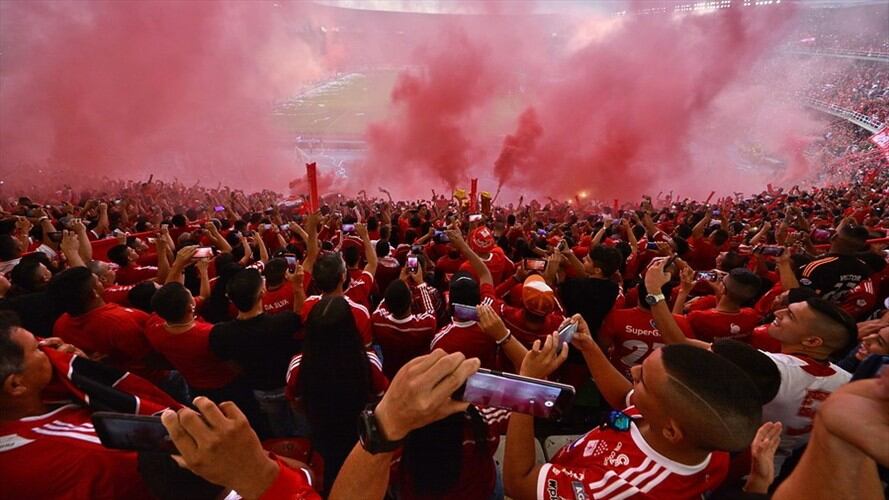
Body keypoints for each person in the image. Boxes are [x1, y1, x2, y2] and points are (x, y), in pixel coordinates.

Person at [644, 256, 857, 475]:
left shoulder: (769, 367)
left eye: (790, 316)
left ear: (812, 341)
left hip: (731, 462)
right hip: (777, 467)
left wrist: (654, 291)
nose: (778, 312)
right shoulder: (847, 382)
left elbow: (677, 341)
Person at [0, 314, 154, 499]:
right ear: (16, 385)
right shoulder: (95, 451)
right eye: (37, 348)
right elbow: (180, 462)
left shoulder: (38, 399)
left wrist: (82, 370)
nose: (49, 347)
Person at [286, 296, 389, 492]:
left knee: (330, 469)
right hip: (357, 431)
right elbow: (380, 397)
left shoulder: (298, 365)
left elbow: (295, 402)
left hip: (321, 431)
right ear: (350, 328)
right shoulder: (368, 362)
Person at [209, 267, 304, 438]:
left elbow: (227, 362)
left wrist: (247, 373)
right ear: (262, 293)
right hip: (290, 384)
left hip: (259, 388)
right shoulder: (281, 323)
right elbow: (300, 316)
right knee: (302, 423)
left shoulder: (221, 333)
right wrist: (297, 287)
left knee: (278, 426)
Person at [48, 266, 157, 379]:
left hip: (107, 383)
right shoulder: (122, 321)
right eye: (98, 282)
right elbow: (156, 360)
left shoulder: (60, 325)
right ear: (94, 292)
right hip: (151, 380)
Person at [598, 280, 695, 379]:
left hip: (619, 377)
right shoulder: (681, 323)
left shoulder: (616, 317)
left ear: (638, 294)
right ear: (669, 298)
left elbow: (602, 347)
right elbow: (686, 357)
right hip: (657, 382)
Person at [301, 223, 376, 347]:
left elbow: (310, 258)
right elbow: (372, 263)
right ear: (343, 277)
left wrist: (312, 225)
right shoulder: (359, 310)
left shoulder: (307, 306)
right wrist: (365, 236)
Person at [372, 265, 437, 379]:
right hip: (417, 375)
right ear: (411, 299)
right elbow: (430, 311)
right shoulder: (426, 326)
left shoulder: (377, 321)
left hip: (391, 374)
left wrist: (400, 281)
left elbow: (384, 302)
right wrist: (421, 283)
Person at [680, 267, 764, 343]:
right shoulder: (752, 315)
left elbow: (675, 325)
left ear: (723, 288)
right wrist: (718, 291)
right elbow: (724, 317)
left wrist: (683, 292)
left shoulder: (698, 317)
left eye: (722, 280)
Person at [797, 223, 872, 303]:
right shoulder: (864, 268)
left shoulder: (815, 267)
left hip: (812, 310)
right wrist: (808, 243)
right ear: (862, 245)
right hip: (839, 311)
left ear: (834, 237)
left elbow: (797, 296)